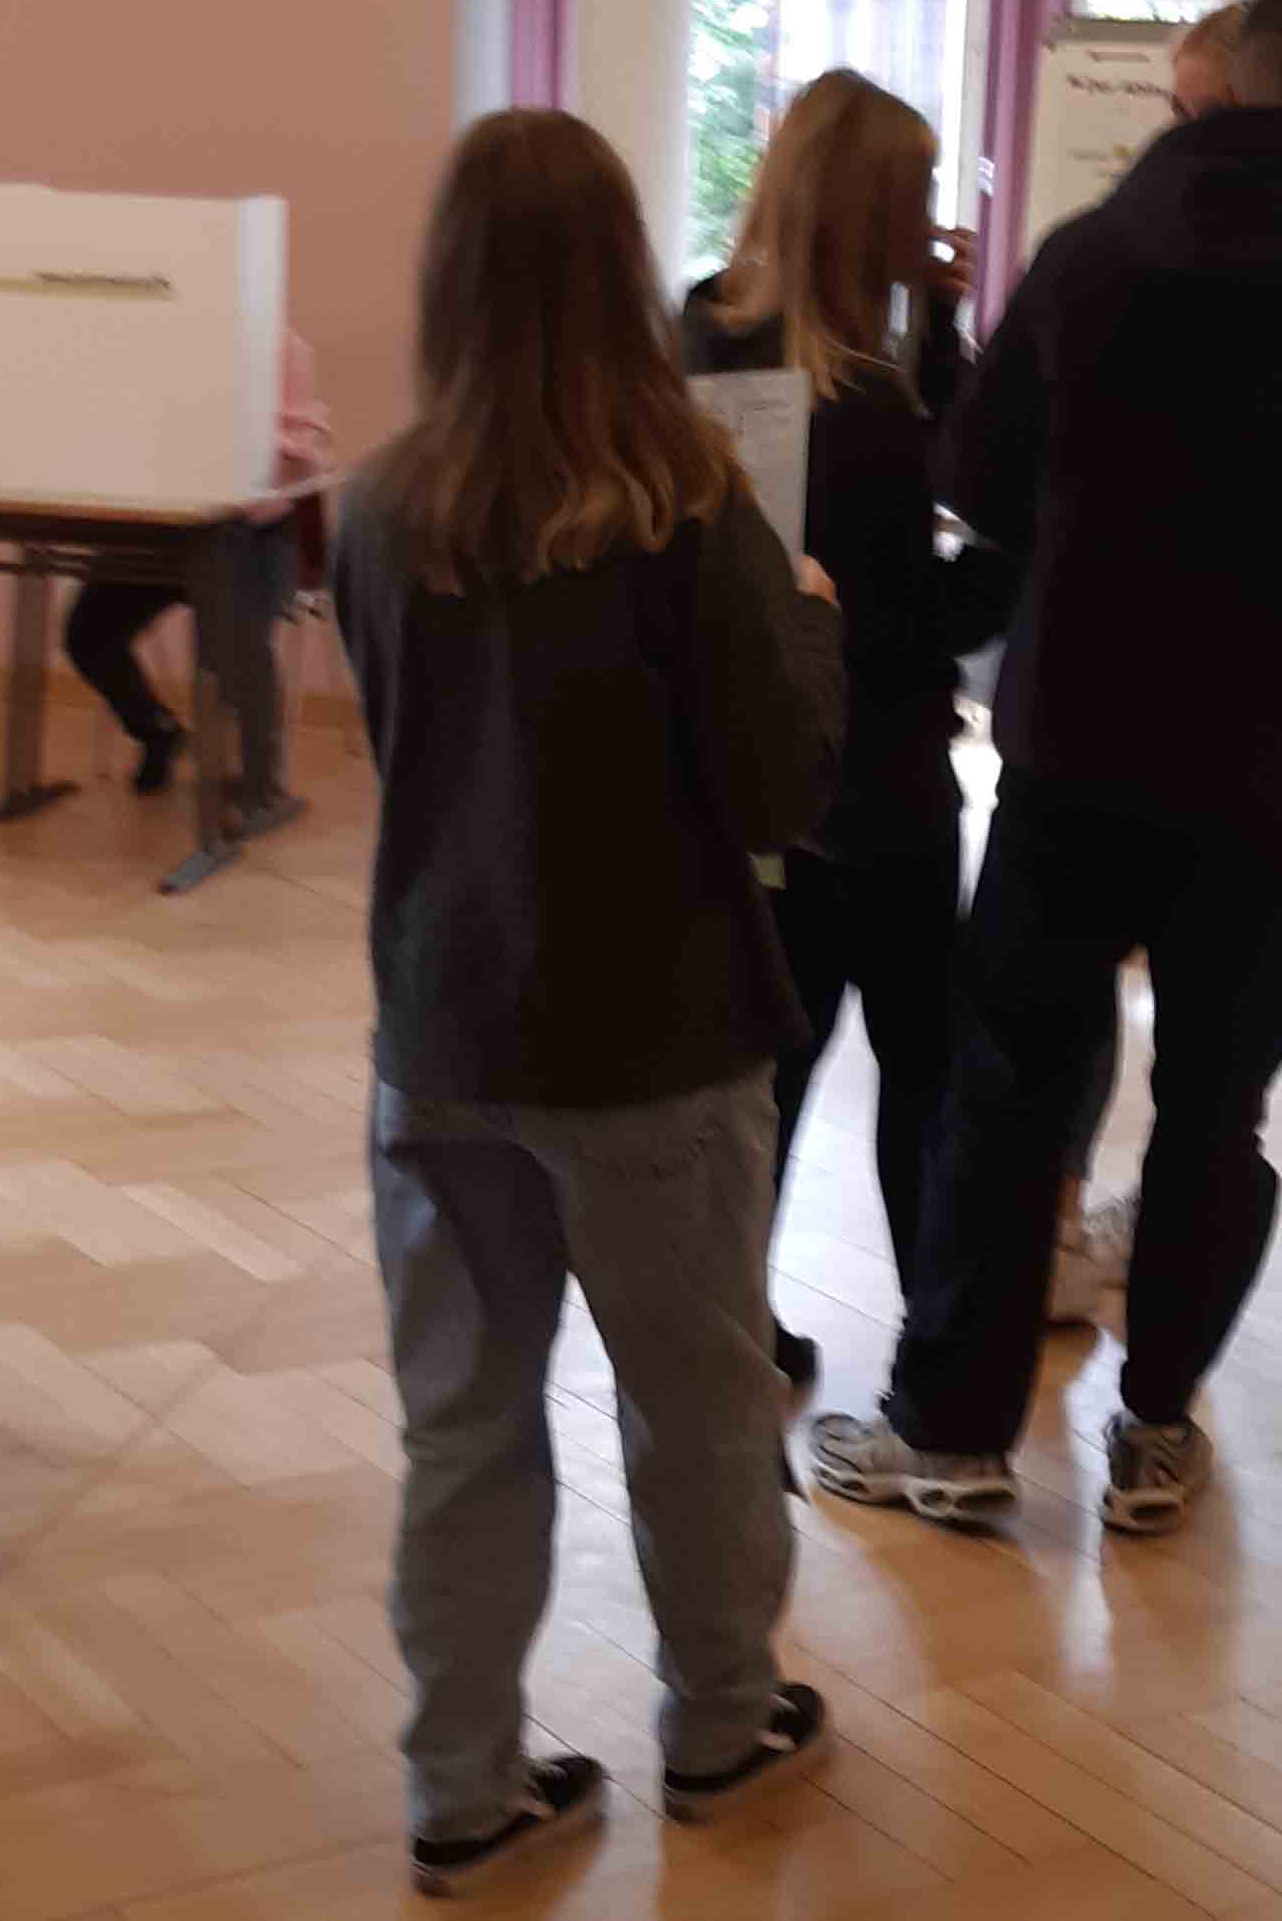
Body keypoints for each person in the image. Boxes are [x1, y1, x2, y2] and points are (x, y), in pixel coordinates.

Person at [806, 0, 1282, 1537]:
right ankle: (1154, 1432)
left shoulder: (1094, 265)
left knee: (1006, 1092)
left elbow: (983, 479)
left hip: (1081, 753)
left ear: (1221, 94)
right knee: (1219, 1107)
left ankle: (952, 1433)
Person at [333, 109, 845, 1894]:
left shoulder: (378, 509)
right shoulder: (690, 502)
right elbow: (778, 786)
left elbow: (412, 756)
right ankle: (717, 1718)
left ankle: (460, 1788)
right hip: (655, 1036)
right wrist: (809, 620)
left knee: (463, 1422)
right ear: (623, 274)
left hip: (441, 1031)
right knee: (692, 1398)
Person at [681, 71, 1016, 1391]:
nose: (933, 217)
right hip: (875, 782)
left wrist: (933, 321)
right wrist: (1013, 559)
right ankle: (933, 1358)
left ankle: (733, 1332)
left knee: (767, 1073)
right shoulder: (871, 398)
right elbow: (909, 608)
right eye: (918, 196)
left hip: (746, 771)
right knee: (923, 1074)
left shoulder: (699, 324)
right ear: (879, 209)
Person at [1040, 0, 1258, 1325]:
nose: (1170, 142)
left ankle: (1116, 1344)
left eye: (1192, 116)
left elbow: (995, 479)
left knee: (1158, 1048)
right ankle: (1145, 1365)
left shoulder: (1099, 263)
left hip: (1142, 730)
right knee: (1188, 1061)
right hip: (1205, 745)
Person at [63, 329, 333, 828]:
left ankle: (260, 786)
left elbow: (303, 452)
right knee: (88, 635)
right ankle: (156, 730)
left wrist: (218, 425)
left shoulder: (285, 345)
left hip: (254, 530)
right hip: (161, 528)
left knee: (235, 653)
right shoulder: (155, 331)